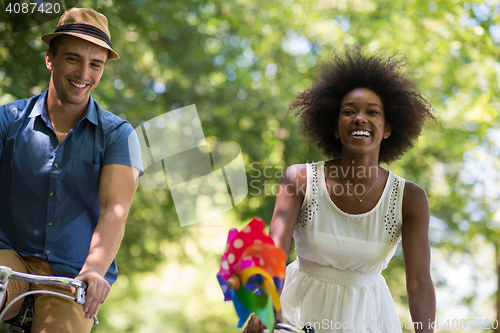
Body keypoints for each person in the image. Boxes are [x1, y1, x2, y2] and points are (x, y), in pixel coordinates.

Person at [244, 47, 436, 333]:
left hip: (368, 320)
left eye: (373, 112)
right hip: (298, 313)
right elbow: (276, 250)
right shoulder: (299, 179)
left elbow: (419, 281)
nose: (360, 118)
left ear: (387, 128)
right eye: (349, 111)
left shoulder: (410, 198)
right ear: (335, 128)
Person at [0, 8, 142, 332]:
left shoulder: (119, 135)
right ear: (50, 58)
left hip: (73, 273)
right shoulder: (7, 120)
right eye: (73, 59)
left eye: (96, 64)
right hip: (9, 256)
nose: (84, 72)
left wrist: (94, 270)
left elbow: (114, 211)